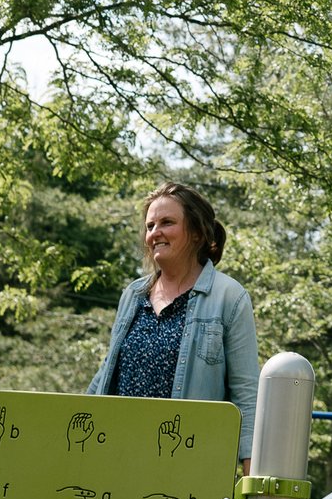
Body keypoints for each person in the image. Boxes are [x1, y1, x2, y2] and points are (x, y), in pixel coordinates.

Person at [89, 181, 261, 467]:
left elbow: (246, 392)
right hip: (115, 459)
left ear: (196, 233)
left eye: (167, 222)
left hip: (186, 466)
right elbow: (107, 373)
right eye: (150, 225)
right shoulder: (133, 295)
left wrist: (251, 476)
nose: (155, 233)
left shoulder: (229, 297)